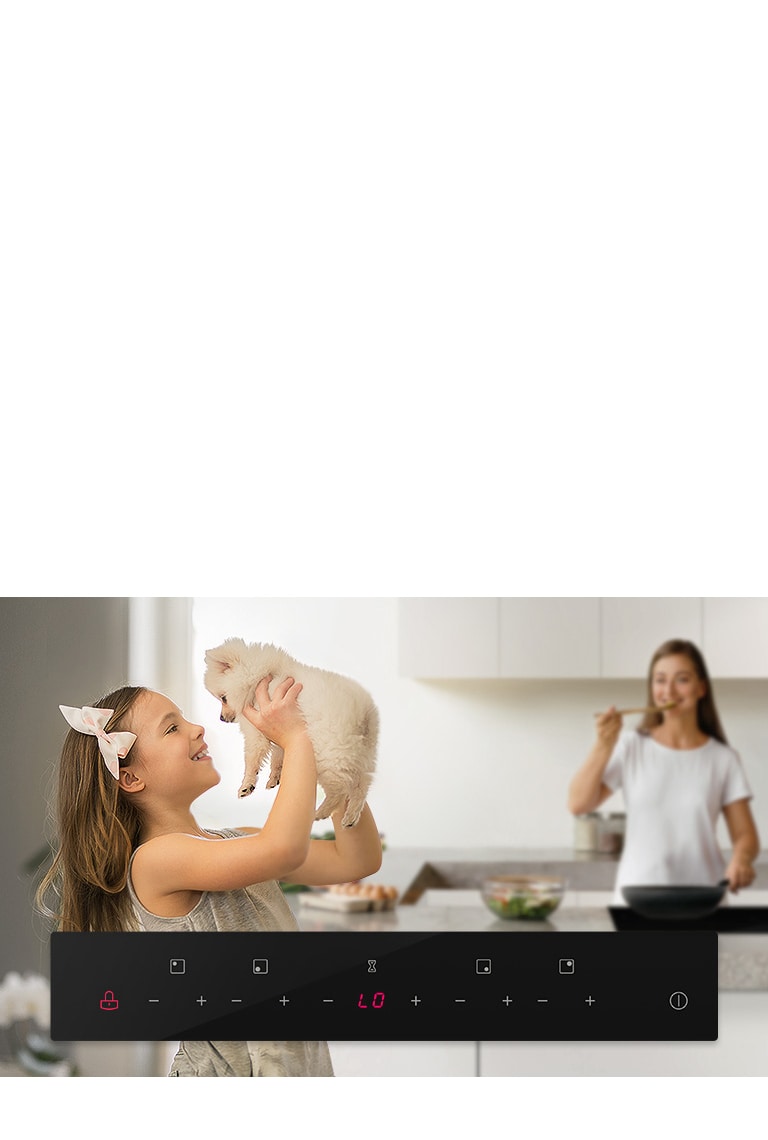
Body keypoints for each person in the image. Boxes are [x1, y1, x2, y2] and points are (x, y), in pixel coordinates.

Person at [37, 674, 383, 1076]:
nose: (197, 728)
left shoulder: (239, 843)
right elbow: (284, 848)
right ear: (130, 778)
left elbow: (356, 859)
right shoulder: (155, 861)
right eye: (171, 727)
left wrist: (324, 752)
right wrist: (297, 739)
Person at [568, 638, 759, 904]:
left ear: (701, 688)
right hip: (636, 900)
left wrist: (741, 859)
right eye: (659, 680)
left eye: (682, 679)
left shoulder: (723, 758)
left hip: (703, 900)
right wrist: (603, 745)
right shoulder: (631, 746)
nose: (668, 690)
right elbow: (578, 804)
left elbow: (745, 834)